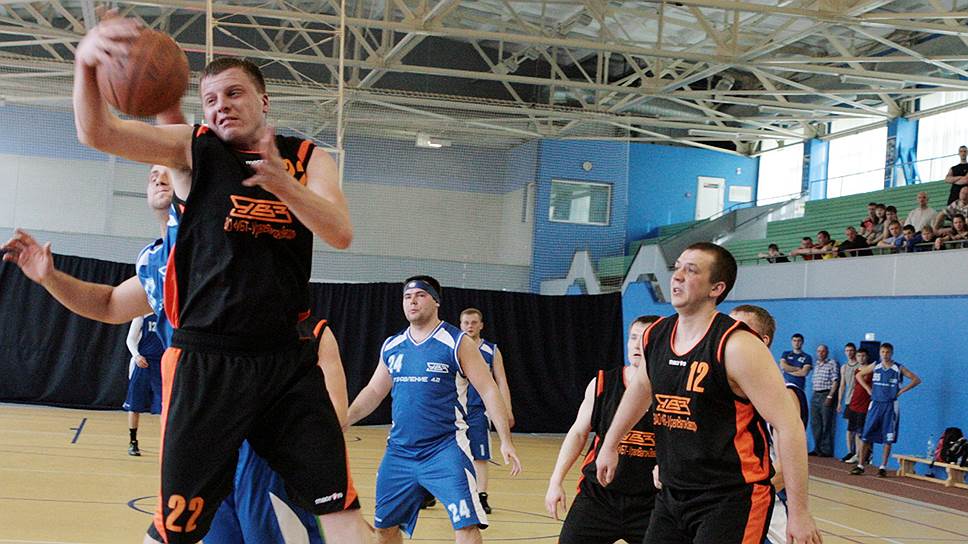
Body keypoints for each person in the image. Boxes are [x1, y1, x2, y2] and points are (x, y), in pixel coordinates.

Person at [70, 15, 370, 542]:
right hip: (207, 361)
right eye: (209, 99)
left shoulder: (306, 158)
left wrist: (284, 184)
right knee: (178, 528)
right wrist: (86, 65)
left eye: (233, 93)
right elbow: (98, 133)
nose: (220, 106)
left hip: (285, 362)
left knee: (341, 508)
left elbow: (341, 232)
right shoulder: (194, 149)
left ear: (264, 101)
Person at [3, 165, 348, 544]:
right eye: (152, 171)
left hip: (256, 425)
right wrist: (50, 278)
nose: (158, 176)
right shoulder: (157, 261)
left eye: (171, 168)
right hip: (201, 429)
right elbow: (109, 303)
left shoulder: (229, 239)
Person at [596, 243, 821, 544]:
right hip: (672, 494)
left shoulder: (738, 345)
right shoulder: (656, 335)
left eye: (691, 271)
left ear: (716, 288)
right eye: (677, 267)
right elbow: (640, 388)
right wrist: (610, 444)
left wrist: (799, 511)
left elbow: (789, 426)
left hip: (730, 497)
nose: (677, 276)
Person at [346, 276, 521, 544]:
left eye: (420, 295)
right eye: (407, 297)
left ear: (436, 301)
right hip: (399, 452)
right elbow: (373, 391)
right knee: (384, 529)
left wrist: (505, 440)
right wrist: (345, 419)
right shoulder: (392, 345)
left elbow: (488, 389)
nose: (412, 301)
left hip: (445, 450)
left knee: (466, 526)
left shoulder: (457, 342)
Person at [544, 315, 659, 544]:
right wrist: (555, 481)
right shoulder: (603, 383)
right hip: (599, 497)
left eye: (644, 338)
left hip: (652, 501)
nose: (637, 345)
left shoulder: (674, 389)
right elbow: (578, 433)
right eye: (633, 337)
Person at [728, 304, 808, 544]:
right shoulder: (722, 391)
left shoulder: (784, 395)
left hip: (766, 506)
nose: (729, 336)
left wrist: (731, 495)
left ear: (762, 341)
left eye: (739, 330)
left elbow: (783, 468)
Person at [458, 307, 513, 515]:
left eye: (474, 322)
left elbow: (501, 381)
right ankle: (430, 492)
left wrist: (507, 410)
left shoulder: (491, 350)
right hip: (455, 410)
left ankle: (481, 496)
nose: (470, 326)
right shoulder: (454, 347)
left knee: (479, 455)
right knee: (444, 452)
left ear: (481, 325)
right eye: (466, 323)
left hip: (479, 410)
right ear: (460, 325)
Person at [850, 344, 922, 477]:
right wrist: (868, 389)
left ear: (892, 353)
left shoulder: (898, 368)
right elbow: (859, 375)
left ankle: (883, 467)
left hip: (890, 405)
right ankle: (860, 465)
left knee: (888, 437)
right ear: (880, 353)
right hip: (875, 404)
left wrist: (901, 391)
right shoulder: (876, 365)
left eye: (887, 352)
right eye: (882, 352)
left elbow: (916, 379)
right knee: (866, 435)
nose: (885, 354)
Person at [123, 312, 164, 456]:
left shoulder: (168, 315)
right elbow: (130, 339)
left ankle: (166, 444)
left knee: (165, 407)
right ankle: (133, 442)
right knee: (134, 405)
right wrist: (136, 355)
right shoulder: (142, 314)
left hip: (162, 364)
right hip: (143, 363)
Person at [843, 349, 874, 465]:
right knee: (854, 431)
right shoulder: (856, 370)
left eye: (863, 356)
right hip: (854, 403)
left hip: (865, 405)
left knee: (862, 432)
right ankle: (857, 454)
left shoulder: (872, 370)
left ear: (867, 357)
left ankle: (866, 454)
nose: (861, 358)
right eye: (859, 356)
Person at [808, 345, 838, 458]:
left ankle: (826, 450)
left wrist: (830, 396)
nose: (820, 353)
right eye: (819, 351)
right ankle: (817, 448)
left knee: (826, 422)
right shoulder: (816, 365)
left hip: (826, 394)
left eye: (823, 351)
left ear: (827, 352)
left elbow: (835, 381)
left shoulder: (832, 363)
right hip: (815, 394)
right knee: (815, 423)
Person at [837, 343, 860, 462]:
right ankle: (850, 452)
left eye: (851, 350)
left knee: (858, 429)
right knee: (850, 428)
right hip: (848, 401)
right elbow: (842, 385)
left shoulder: (860, 366)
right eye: (847, 350)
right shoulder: (844, 367)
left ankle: (859, 453)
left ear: (855, 351)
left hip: (859, 401)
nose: (849, 352)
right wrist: (839, 402)